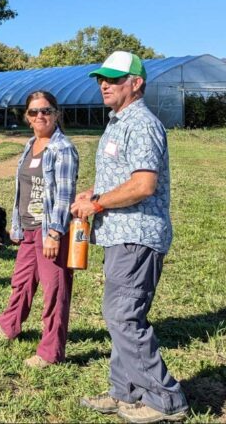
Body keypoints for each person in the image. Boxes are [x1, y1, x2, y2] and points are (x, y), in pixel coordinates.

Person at [71, 51, 189, 423]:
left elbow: (143, 185)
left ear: (136, 83)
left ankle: (166, 400)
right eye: (101, 79)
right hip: (120, 234)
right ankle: (124, 393)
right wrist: (94, 192)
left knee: (123, 316)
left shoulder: (141, 123)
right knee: (120, 314)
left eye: (114, 79)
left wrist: (98, 204)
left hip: (137, 235)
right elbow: (125, 175)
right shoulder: (119, 122)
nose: (104, 84)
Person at [0, 90, 78, 368]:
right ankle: (9, 324)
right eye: (34, 112)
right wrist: (16, 224)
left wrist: (54, 233)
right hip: (27, 228)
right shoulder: (30, 145)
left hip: (48, 230)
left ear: (56, 114)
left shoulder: (62, 149)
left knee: (55, 292)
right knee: (21, 281)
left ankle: (51, 352)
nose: (40, 116)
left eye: (46, 111)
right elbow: (22, 189)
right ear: (27, 117)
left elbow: (64, 195)